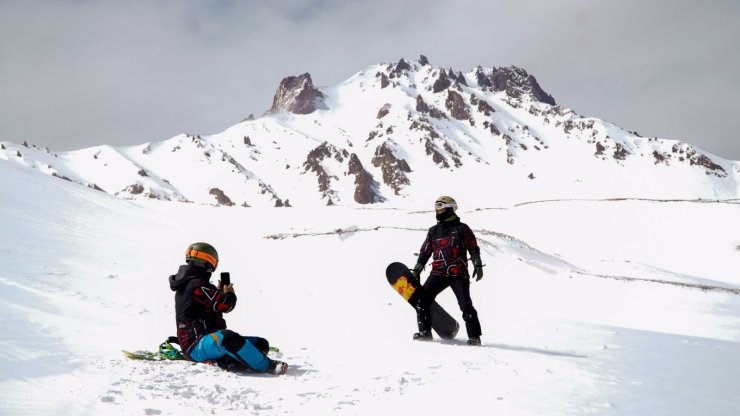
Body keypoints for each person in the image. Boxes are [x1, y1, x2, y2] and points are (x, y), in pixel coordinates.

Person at [168, 242, 288, 375]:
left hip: (206, 340)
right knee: (228, 338)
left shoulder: (193, 283)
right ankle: (269, 367)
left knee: (261, 344)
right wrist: (229, 294)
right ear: (209, 262)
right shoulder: (197, 285)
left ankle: (226, 362)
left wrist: (217, 293)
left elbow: (210, 308)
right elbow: (226, 305)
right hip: (195, 345)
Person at [412, 196, 484, 346]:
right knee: (422, 301)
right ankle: (425, 334)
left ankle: (475, 337)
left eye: (440, 206)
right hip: (438, 273)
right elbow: (425, 251)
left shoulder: (462, 228)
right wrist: (418, 268)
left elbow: (473, 247)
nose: (437, 209)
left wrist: (477, 263)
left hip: (458, 273)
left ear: (450, 208)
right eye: (435, 206)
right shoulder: (433, 231)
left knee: (465, 305)